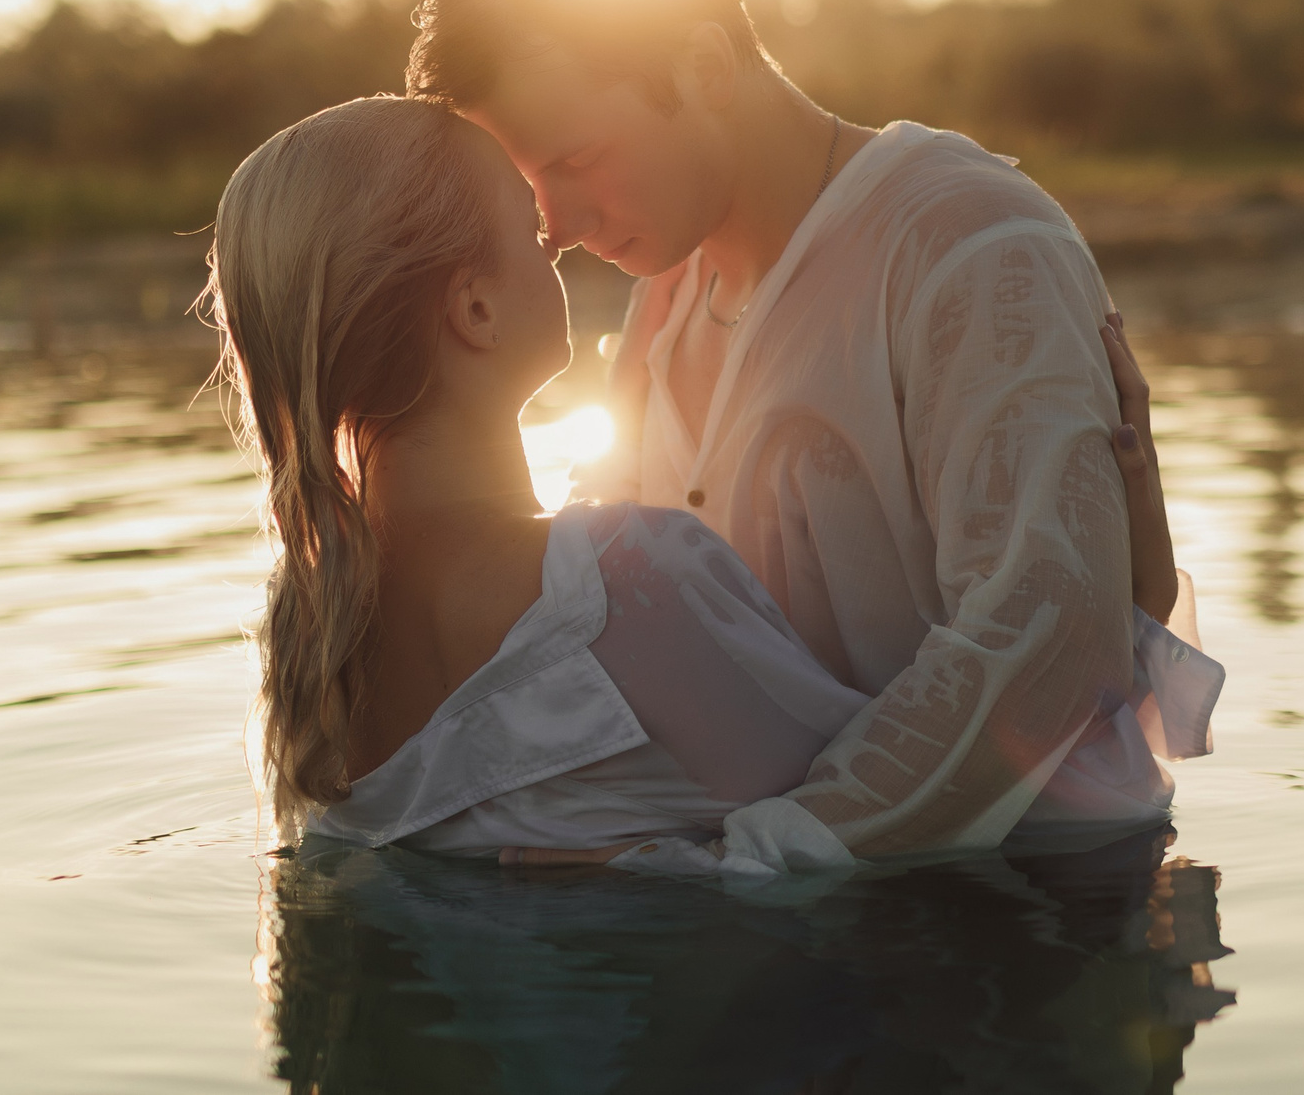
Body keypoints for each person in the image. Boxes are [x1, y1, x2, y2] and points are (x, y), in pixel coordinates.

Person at [403, 0, 1221, 873]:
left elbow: (1044, 636)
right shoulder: (663, 299)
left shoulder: (971, 250)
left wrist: (750, 862)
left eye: (575, 162)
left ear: (703, 68)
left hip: (1036, 914)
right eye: (529, 187)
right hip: (800, 932)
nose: (558, 226)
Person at [204, 94, 1210, 868]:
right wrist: (1123, 575)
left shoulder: (308, 642)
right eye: (532, 230)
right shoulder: (626, 583)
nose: (566, 236)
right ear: (473, 310)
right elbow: (946, 792)